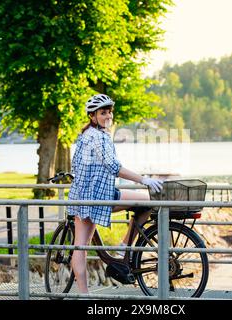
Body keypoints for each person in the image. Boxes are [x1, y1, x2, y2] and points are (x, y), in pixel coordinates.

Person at [67, 93, 163, 294]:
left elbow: (78, 164)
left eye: (109, 111)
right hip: (99, 196)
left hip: (85, 195)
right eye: (103, 113)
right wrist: (143, 179)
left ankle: (85, 295)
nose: (108, 115)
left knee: (80, 246)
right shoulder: (99, 137)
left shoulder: (86, 135)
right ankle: (124, 245)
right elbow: (114, 167)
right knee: (147, 202)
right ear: (93, 116)